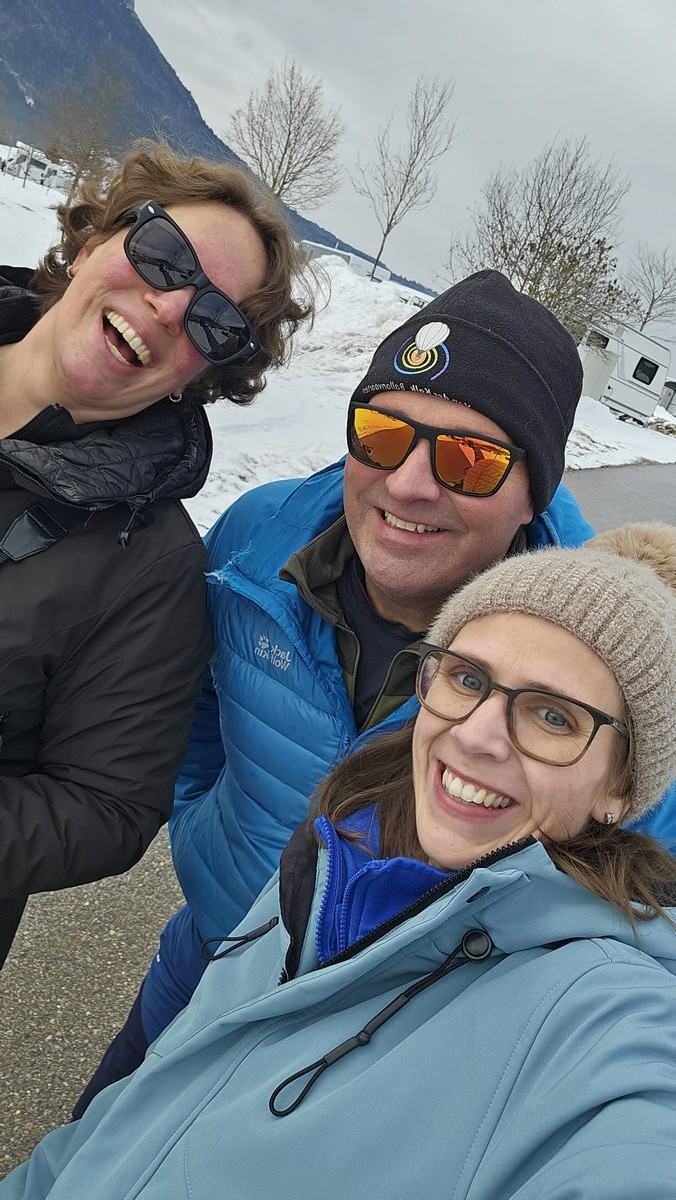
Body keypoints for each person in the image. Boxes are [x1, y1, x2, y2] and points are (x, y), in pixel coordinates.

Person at [5, 521, 676, 1199]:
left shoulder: (600, 1016)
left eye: (554, 717)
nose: (476, 736)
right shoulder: (338, 851)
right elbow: (129, 1121)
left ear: (620, 791)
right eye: (468, 678)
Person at [75, 267, 607, 1110]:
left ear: (531, 497)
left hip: (369, 1055)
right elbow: (191, 706)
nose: (409, 484)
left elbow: (627, 920)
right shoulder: (255, 538)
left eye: (470, 460)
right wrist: (204, 829)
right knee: (86, 1151)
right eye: (383, 433)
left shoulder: (597, 677)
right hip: (205, 959)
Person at [0, 138, 312, 967]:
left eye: (215, 321)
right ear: (93, 240)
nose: (171, 307)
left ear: (197, 377)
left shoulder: (152, 566)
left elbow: (106, 806)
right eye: (165, 255)